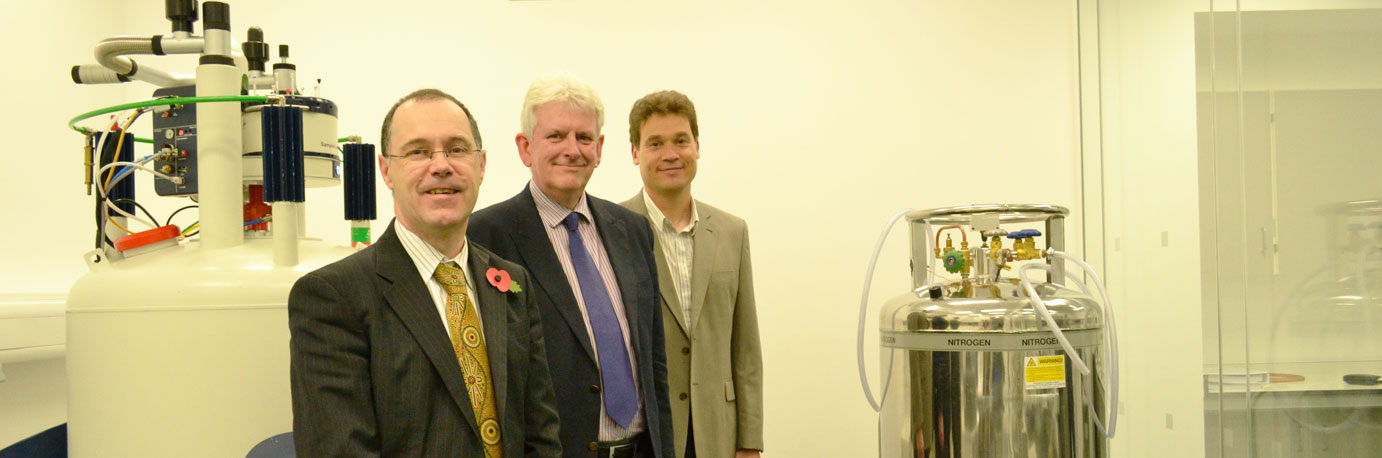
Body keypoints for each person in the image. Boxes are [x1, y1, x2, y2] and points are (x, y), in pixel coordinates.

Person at [288, 89, 561, 457]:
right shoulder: (334, 295)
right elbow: (340, 450)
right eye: (418, 151)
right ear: (386, 171)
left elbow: (540, 434)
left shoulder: (511, 282)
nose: (441, 165)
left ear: (481, 166)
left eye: (457, 148)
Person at [469, 75, 675, 458]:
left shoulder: (632, 230)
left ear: (599, 149)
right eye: (555, 136)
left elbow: (653, 362)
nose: (571, 150)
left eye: (583, 138)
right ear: (525, 147)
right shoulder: (484, 236)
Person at [620, 90, 763, 458]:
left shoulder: (733, 231)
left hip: (718, 430)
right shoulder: (612, 231)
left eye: (681, 141)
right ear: (635, 153)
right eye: (655, 143)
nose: (670, 154)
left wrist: (749, 441)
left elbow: (745, 347)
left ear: (697, 146)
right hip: (645, 433)